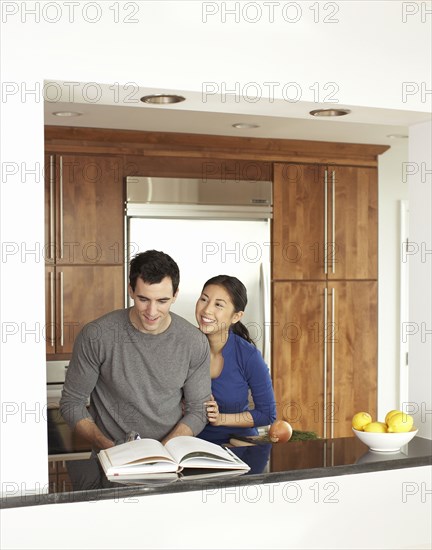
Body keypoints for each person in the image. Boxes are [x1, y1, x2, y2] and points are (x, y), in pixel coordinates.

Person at [60, 250, 211, 452]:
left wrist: (162, 452)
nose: (151, 311)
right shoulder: (96, 336)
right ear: (131, 290)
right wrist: (110, 448)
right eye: (143, 299)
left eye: (162, 301)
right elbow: (72, 404)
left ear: (175, 295)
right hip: (111, 458)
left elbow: (198, 410)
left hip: (170, 458)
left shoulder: (194, 342)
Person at [195, 275, 276, 444]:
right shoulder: (183, 346)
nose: (207, 310)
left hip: (238, 446)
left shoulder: (248, 356)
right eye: (204, 299)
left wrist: (220, 419)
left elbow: (267, 413)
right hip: (191, 446)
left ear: (236, 316)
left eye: (218, 305)